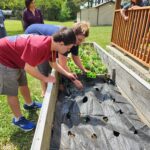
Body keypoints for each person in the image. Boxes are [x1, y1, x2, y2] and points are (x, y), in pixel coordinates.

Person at [0, 28, 76, 131]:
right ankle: (18, 119)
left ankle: (29, 104)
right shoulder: (39, 46)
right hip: (4, 57)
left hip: (16, 56)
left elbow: (53, 64)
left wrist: (68, 74)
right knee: (12, 91)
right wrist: (45, 78)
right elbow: (29, 68)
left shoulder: (53, 46)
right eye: (68, 48)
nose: (68, 51)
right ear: (62, 43)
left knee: (23, 83)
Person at [25, 22, 90, 96]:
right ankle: (44, 91)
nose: (80, 42)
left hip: (47, 40)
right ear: (73, 34)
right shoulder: (66, 40)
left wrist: (83, 69)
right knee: (44, 65)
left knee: (51, 61)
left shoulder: (74, 41)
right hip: (34, 33)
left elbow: (75, 57)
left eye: (82, 40)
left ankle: (58, 85)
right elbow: (63, 64)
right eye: (79, 39)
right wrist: (75, 81)